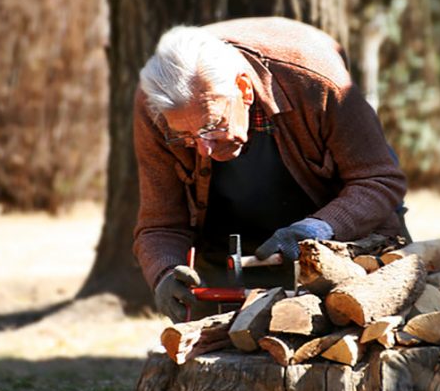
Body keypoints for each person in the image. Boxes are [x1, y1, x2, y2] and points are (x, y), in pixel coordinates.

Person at [133, 16, 408, 322]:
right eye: (184, 137)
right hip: (225, 246)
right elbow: (161, 222)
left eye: (212, 125)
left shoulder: (315, 79)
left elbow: (379, 179)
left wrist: (317, 229)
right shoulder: (158, 104)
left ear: (244, 90)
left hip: (335, 238)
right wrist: (165, 272)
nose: (203, 148)